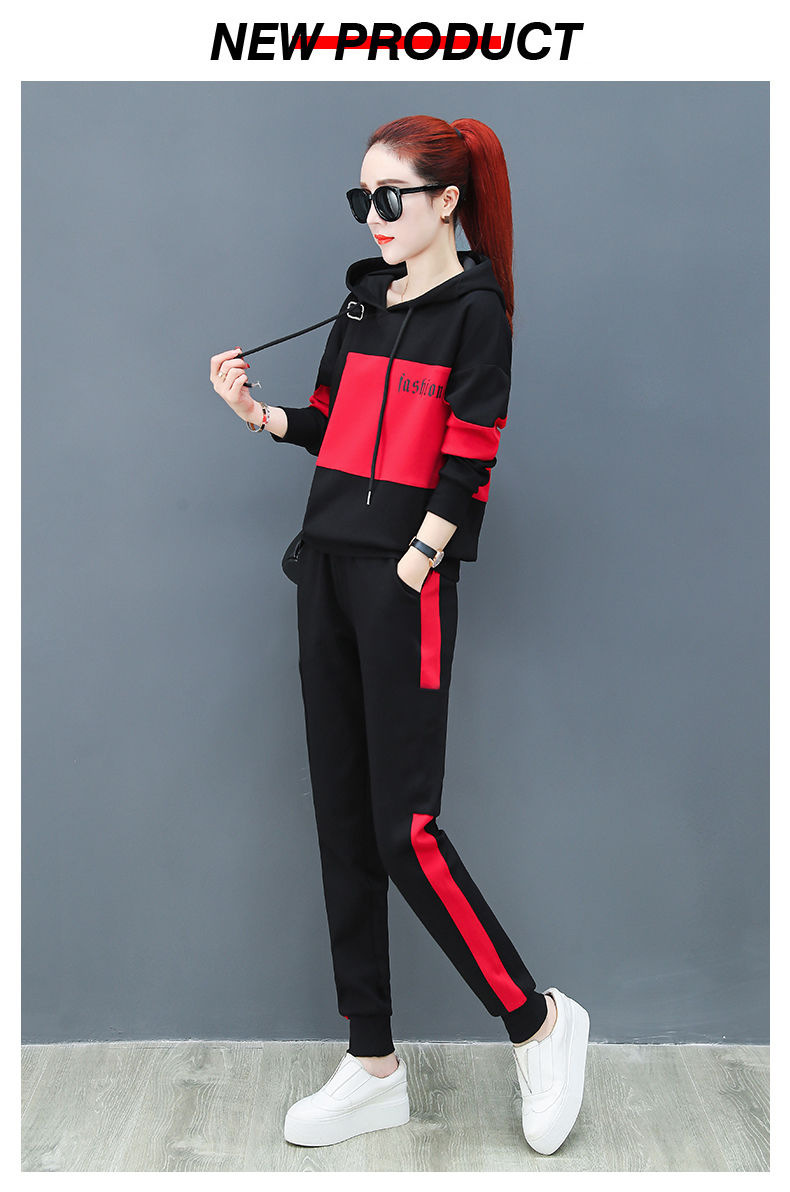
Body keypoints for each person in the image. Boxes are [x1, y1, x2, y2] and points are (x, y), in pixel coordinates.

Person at [210, 114, 590, 1155]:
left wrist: (418, 559)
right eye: (361, 200)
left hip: (402, 581)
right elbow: (335, 426)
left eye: (390, 198)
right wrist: (259, 415)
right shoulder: (363, 301)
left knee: (403, 830)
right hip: (323, 571)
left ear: (445, 202)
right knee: (342, 818)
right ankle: (372, 1063)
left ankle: (537, 1021)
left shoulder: (478, 316)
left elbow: (469, 460)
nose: (372, 217)